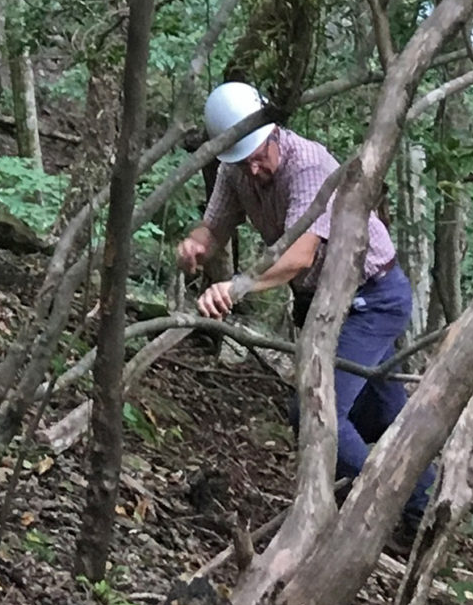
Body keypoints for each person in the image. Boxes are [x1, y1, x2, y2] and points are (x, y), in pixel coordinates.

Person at [177, 80, 432, 525]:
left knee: (314, 410)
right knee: (385, 413)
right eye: (243, 161)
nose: (253, 170)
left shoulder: (309, 165)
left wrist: (237, 288)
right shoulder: (234, 170)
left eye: (259, 157)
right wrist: (195, 245)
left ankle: (394, 503)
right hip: (323, 299)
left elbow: (299, 255)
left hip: (372, 297)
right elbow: (214, 225)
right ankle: (424, 503)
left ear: (274, 133)